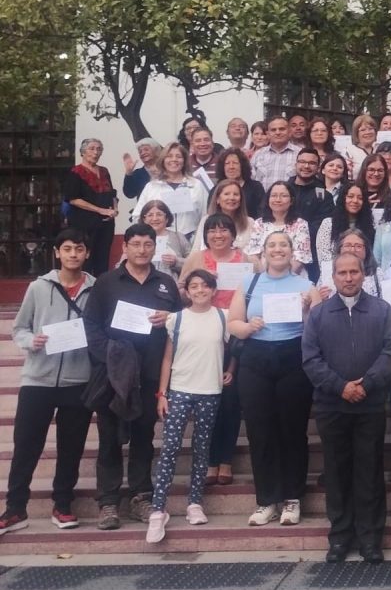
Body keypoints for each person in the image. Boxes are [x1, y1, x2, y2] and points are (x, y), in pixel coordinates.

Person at [83, 222, 183, 530]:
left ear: (155, 247)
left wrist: (169, 319)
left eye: (147, 244)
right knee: (110, 439)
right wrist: (110, 358)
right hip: (113, 375)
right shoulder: (107, 282)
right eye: (135, 244)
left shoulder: (165, 283)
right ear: (124, 247)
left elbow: (180, 326)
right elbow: (92, 326)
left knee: (143, 437)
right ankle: (109, 502)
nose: (142, 250)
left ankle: (142, 496)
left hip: (151, 373)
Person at [302, 250, 391, 563]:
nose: (348, 278)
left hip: (369, 406)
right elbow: (311, 359)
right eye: (342, 273)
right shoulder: (318, 314)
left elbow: (390, 354)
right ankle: (340, 536)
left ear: (363, 274)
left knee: (369, 473)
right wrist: (340, 386)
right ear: (333, 277)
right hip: (332, 406)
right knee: (337, 472)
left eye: (353, 272)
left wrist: (365, 384)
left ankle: (371, 538)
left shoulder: (381, 310)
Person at [0, 230, 95, 535]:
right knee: (26, 445)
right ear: (57, 252)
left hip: (78, 380)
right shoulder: (38, 288)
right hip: (38, 379)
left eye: (78, 249)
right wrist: (32, 341)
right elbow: (20, 328)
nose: (72, 255)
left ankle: (63, 505)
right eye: (67, 249)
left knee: (71, 447)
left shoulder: (96, 288)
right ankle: (15, 509)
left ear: (87, 254)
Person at [229, 232, 321, 527]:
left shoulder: (307, 286)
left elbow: (318, 332)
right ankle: (266, 499)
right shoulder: (248, 284)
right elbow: (233, 323)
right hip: (255, 358)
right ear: (263, 252)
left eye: (283, 245)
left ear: (292, 252)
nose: (278, 249)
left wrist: (307, 310)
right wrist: (248, 327)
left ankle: (293, 498)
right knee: (260, 430)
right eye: (272, 245)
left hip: (293, 357)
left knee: (292, 430)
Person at [146, 269, 232, 543]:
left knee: (201, 448)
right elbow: (167, 358)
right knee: (170, 448)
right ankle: (158, 508)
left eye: (205, 286)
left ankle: (195, 503)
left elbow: (235, 347)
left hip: (210, 390)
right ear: (187, 291)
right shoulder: (176, 319)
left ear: (213, 290)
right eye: (194, 286)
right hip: (180, 390)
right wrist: (162, 393)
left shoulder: (224, 317)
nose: (199, 291)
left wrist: (231, 369)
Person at [180, 214, 251, 486]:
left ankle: (226, 460)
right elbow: (184, 291)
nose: (218, 235)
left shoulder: (246, 259)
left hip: (233, 334)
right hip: (204, 332)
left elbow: (253, 293)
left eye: (224, 230)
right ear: (206, 234)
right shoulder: (197, 259)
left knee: (230, 400)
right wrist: (204, 288)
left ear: (233, 234)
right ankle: (209, 459)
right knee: (207, 399)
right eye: (212, 230)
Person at [64, 138, 118, 276]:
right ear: (83, 152)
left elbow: (112, 193)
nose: (96, 152)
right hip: (85, 223)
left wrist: (114, 209)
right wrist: (101, 210)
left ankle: (101, 290)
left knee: (103, 257)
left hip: (106, 223)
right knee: (86, 258)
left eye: (99, 149)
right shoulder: (76, 172)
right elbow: (73, 199)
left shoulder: (104, 171)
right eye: (92, 148)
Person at [136, 142, 205, 243]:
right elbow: (138, 215)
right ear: (163, 160)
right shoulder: (151, 187)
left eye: (178, 156)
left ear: (184, 160)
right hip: (158, 241)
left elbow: (205, 215)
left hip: (191, 241)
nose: (174, 160)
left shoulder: (196, 185)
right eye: (169, 156)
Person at [245, 181, 313, 271]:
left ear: (291, 200)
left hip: (292, 276)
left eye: (283, 196)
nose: (278, 200)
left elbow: (301, 257)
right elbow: (253, 254)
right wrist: (265, 276)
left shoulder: (301, 224)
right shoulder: (259, 223)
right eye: (273, 196)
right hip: (262, 275)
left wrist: (281, 277)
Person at [251, 116, 301, 190]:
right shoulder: (258, 155)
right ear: (268, 134)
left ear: (290, 132)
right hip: (262, 201)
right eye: (273, 130)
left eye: (282, 129)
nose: (277, 132)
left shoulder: (300, 154)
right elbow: (250, 182)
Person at [215, 147, 265, 220]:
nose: (231, 167)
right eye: (227, 163)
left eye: (235, 163)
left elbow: (262, 213)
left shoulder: (256, 187)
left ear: (242, 166)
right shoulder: (216, 188)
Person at [121, 138, 162, 203]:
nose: (143, 153)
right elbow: (129, 194)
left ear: (156, 151)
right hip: (146, 210)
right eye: (140, 151)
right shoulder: (138, 173)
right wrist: (128, 172)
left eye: (146, 149)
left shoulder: (167, 169)